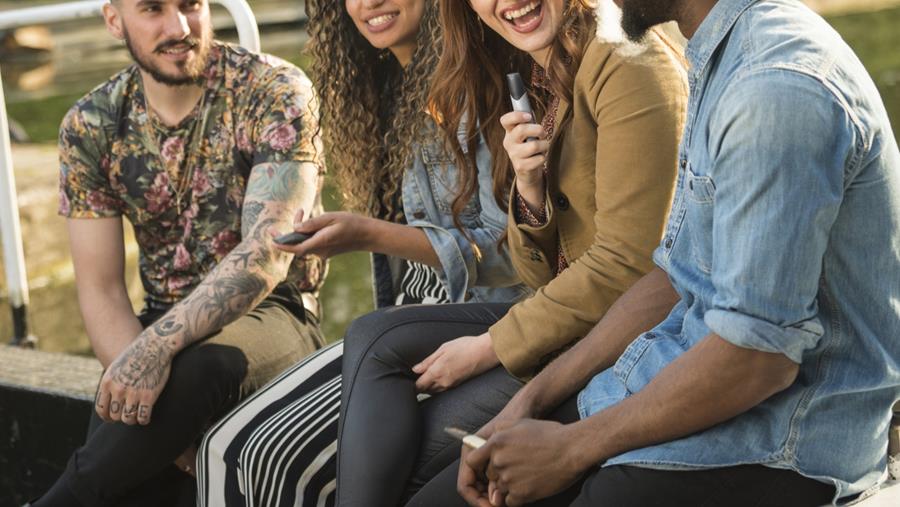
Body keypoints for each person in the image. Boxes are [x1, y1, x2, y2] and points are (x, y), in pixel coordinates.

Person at [409, 0, 900, 505]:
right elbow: (671, 278)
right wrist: (530, 402)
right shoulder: (719, 53)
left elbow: (758, 359)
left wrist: (572, 448)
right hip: (676, 381)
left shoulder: (772, 87)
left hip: (781, 441)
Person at [336, 0, 688, 505]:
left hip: (627, 336)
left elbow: (631, 268)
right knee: (372, 335)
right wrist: (529, 190)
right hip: (577, 315)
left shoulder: (625, 63)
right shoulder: (544, 74)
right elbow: (535, 271)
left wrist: (489, 346)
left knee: (423, 483)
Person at [195, 1, 528, 505]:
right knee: (224, 447)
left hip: (477, 321)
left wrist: (367, 234)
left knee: (259, 457)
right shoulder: (382, 86)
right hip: (400, 327)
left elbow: (510, 252)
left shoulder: (473, 80)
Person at [33, 0, 328, 505]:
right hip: (160, 322)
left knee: (202, 367)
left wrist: (154, 350)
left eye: (190, 5)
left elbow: (267, 254)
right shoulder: (90, 125)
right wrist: (135, 369)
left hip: (278, 312)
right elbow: (102, 289)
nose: (178, 27)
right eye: (152, 9)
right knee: (120, 417)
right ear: (113, 20)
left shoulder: (274, 90)